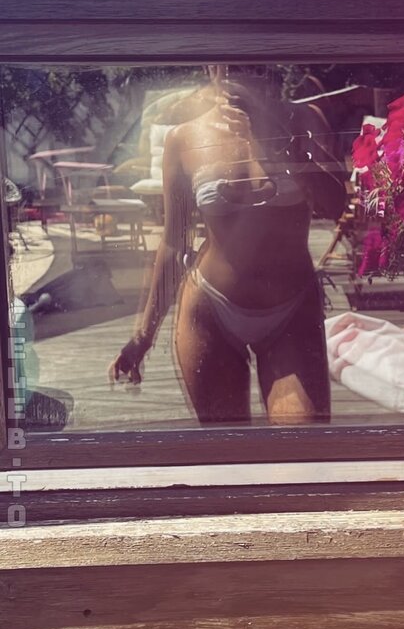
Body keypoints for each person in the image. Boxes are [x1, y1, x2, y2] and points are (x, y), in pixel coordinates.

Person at [109, 65, 347, 423]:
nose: (238, 74)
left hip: (292, 309)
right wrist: (143, 335)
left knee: (303, 445)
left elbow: (337, 205)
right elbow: (174, 242)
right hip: (210, 310)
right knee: (228, 447)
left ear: (266, 64)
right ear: (212, 68)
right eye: (227, 63)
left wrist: (282, 151)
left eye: (248, 63)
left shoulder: (303, 120)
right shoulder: (184, 138)